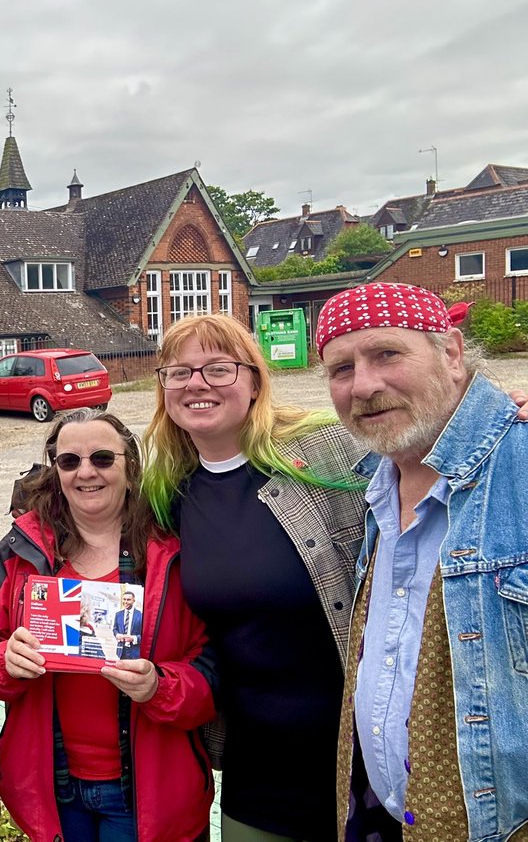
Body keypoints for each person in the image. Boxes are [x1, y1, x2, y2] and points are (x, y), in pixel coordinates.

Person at [141, 312, 369, 842]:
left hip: (357, 753)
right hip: (254, 763)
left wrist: (501, 421)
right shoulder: (167, 491)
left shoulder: (327, 447)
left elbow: (433, 461)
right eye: (179, 372)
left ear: (254, 381)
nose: (197, 383)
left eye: (219, 368)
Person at [316, 282, 528, 840]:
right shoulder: (376, 489)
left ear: (452, 353)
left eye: (387, 353)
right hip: (384, 816)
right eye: (341, 369)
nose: (364, 385)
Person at [0, 408, 216, 842]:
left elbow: (212, 672)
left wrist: (158, 687)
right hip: (55, 792)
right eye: (70, 461)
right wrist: (5, 662)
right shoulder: (22, 552)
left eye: (103, 458)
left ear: (130, 466)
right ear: (57, 471)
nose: (86, 472)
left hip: (146, 795)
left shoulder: (175, 551)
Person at [114, 589, 144, 660]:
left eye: (128, 600)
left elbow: (145, 634)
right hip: (121, 651)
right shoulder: (118, 614)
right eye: (124, 599)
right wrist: (117, 635)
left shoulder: (141, 615)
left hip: (134, 651)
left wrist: (134, 638)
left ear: (133, 601)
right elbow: (115, 629)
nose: (126, 602)